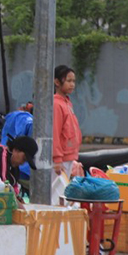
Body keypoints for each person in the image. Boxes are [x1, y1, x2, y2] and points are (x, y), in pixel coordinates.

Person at [52, 65, 83, 204]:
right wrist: (57, 159)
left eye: (73, 81)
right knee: (56, 193)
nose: (72, 84)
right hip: (61, 158)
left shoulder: (67, 103)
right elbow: (55, 132)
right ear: (57, 82)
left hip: (68, 155)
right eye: (68, 81)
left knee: (62, 193)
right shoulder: (56, 104)